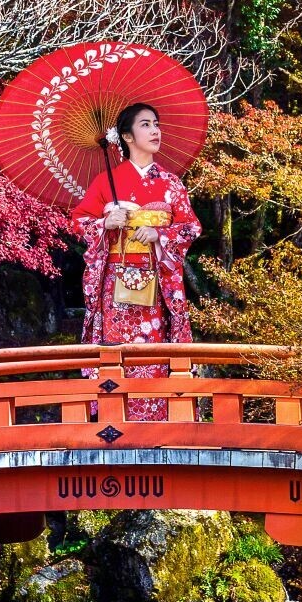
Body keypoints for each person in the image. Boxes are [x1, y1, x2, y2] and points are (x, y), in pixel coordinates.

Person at [70, 102, 201, 419]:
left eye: (156, 123)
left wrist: (160, 234)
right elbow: (78, 223)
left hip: (157, 283)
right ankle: (115, 419)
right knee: (116, 351)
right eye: (145, 125)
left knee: (155, 349)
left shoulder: (171, 184)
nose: (155, 130)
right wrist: (106, 223)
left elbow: (191, 226)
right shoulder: (105, 182)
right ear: (126, 137)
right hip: (116, 283)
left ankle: (158, 420)